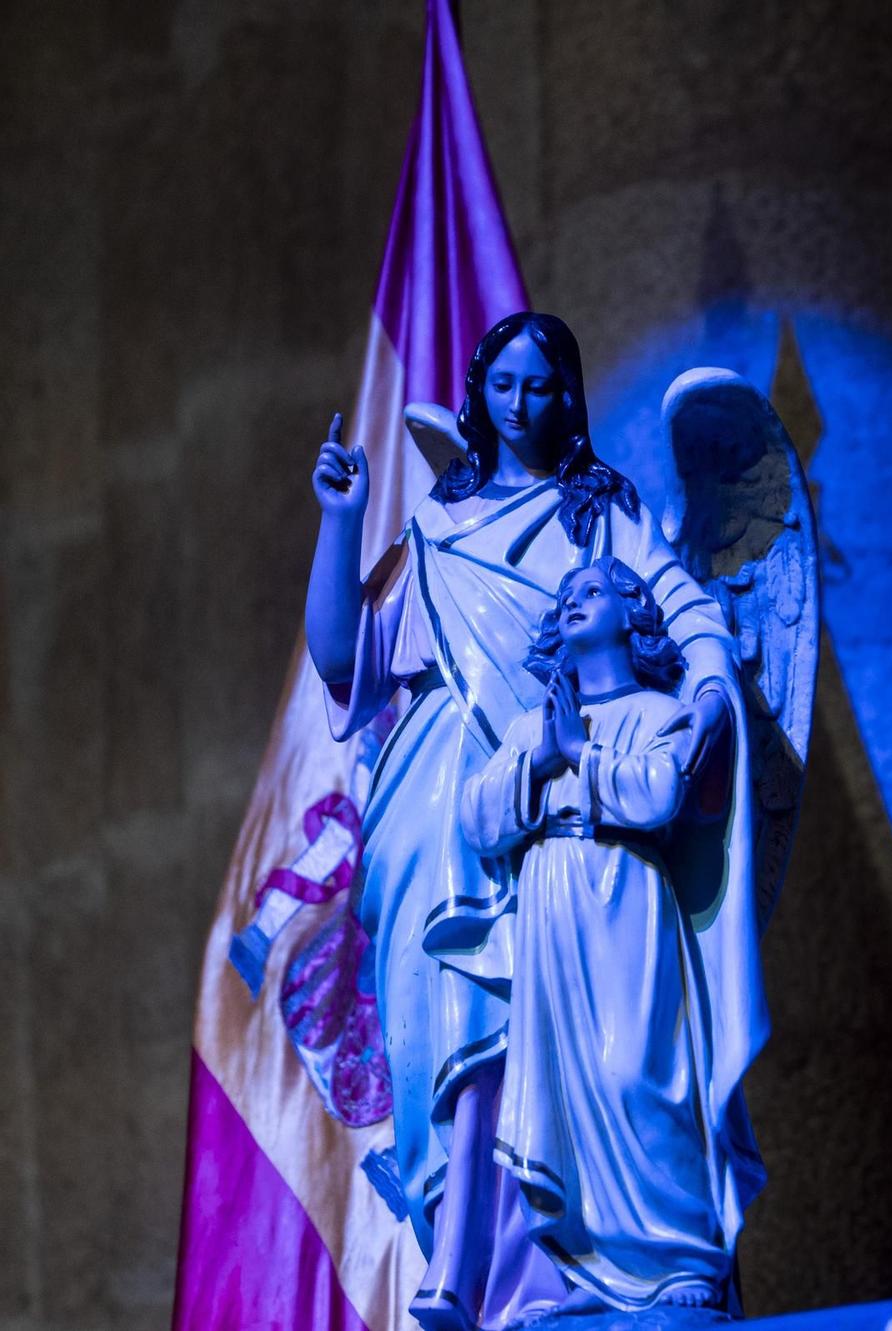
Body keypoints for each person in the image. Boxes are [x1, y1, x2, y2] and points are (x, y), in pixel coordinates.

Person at [304, 312, 766, 1328]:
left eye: (542, 384)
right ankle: (465, 1263)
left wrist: (705, 690)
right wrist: (342, 521)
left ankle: (561, 1269)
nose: (521, 404)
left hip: (560, 797)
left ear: (570, 396)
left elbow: (685, 608)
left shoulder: (599, 512)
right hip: (439, 793)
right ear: (479, 391)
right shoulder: (436, 525)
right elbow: (344, 659)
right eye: (503, 383)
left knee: (564, 1025)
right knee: (440, 1018)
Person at [459, 557, 733, 1317]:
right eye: (565, 597)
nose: (573, 601)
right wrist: (544, 757)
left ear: (632, 611)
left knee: (635, 1070)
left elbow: (659, 794)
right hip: (552, 901)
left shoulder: (657, 711)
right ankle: (594, 1272)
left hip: (626, 894)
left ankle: (680, 1255)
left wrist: (583, 753)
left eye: (593, 591)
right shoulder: (532, 727)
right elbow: (477, 818)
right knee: (564, 1090)